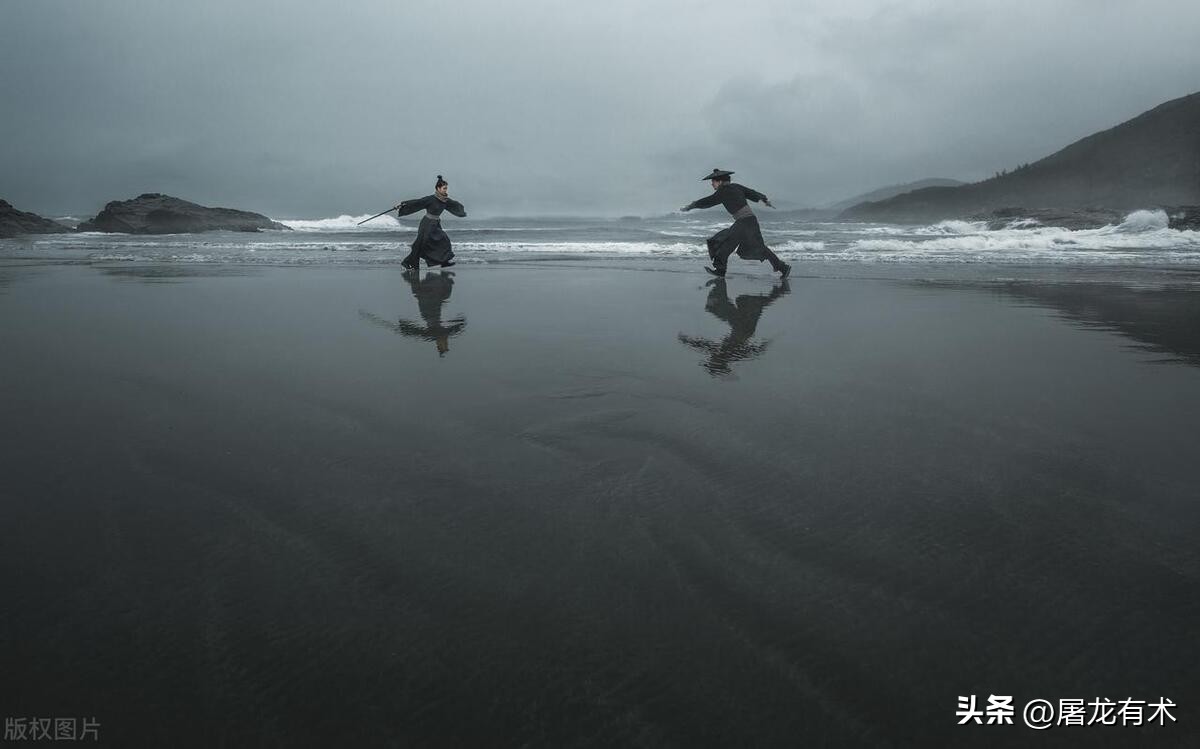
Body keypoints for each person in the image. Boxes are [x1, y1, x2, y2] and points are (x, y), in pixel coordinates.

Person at [680, 168, 790, 278]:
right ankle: (783, 268)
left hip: (744, 222)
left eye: (713, 182)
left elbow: (708, 201)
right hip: (750, 221)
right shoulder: (736, 187)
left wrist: (691, 206)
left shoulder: (723, 191)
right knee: (757, 247)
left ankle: (720, 270)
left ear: (720, 181)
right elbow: (752, 192)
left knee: (724, 242)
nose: (712, 184)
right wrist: (764, 199)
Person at [678, 277, 790, 377]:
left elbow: (703, 345)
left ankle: (778, 292)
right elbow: (750, 352)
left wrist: (688, 341)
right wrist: (762, 347)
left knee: (740, 302)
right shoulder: (729, 354)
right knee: (743, 303)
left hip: (739, 327)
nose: (710, 359)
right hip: (745, 328)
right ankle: (779, 292)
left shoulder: (720, 353)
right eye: (711, 363)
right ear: (720, 362)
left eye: (710, 362)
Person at [396, 175, 467, 269]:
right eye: (444, 188)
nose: (446, 190)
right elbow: (418, 202)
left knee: (444, 240)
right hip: (427, 224)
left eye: (446, 188)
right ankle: (407, 263)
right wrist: (402, 205)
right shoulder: (431, 199)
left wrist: (461, 212)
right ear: (438, 188)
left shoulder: (445, 200)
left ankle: (444, 261)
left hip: (436, 224)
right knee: (421, 245)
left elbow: (454, 205)